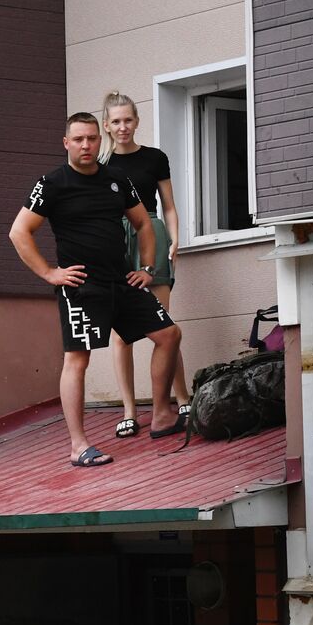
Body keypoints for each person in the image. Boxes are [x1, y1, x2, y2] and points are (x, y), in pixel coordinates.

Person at [8, 112, 185, 467]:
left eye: (91, 139)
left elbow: (144, 224)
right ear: (66, 143)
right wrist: (49, 273)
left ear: (98, 140)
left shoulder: (116, 179)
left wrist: (147, 268)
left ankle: (163, 414)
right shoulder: (53, 183)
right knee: (77, 360)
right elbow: (19, 232)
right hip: (81, 287)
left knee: (169, 334)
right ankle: (78, 446)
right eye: (79, 140)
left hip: (122, 280)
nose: (86, 145)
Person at [99, 90, 191, 440]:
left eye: (129, 120)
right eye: (116, 121)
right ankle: (128, 411)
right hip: (118, 242)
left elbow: (168, 204)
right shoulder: (101, 167)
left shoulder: (155, 158)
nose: (123, 126)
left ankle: (181, 398)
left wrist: (176, 236)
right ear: (107, 125)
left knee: (164, 325)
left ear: (137, 121)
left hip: (153, 232)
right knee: (121, 333)